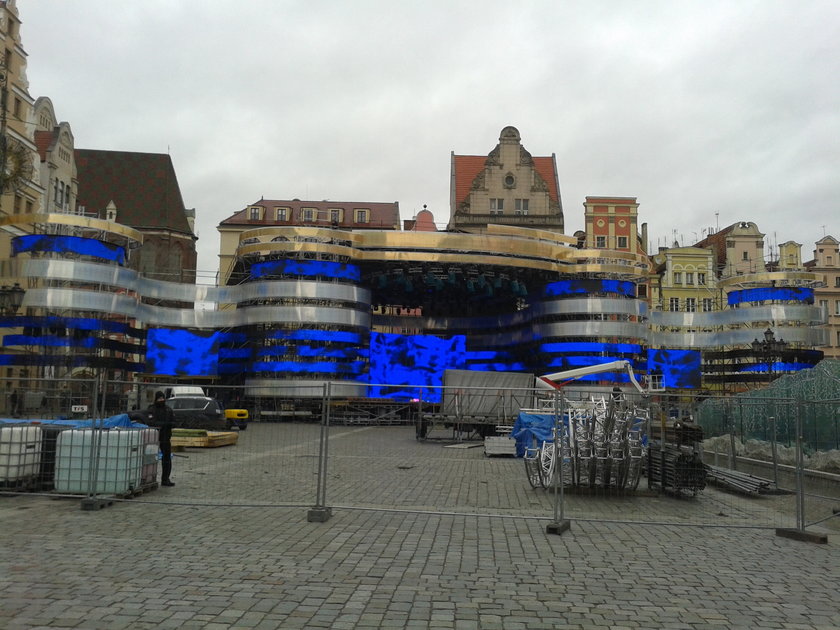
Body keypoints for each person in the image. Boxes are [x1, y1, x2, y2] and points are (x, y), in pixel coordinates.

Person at [148, 391, 176, 487]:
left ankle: (165, 479)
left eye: (162, 398)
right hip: (153, 437)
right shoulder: (152, 409)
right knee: (150, 457)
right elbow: (151, 422)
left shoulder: (168, 410)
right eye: (159, 398)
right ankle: (148, 478)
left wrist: (169, 425)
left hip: (165, 437)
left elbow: (173, 422)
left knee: (167, 459)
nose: (161, 400)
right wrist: (163, 424)